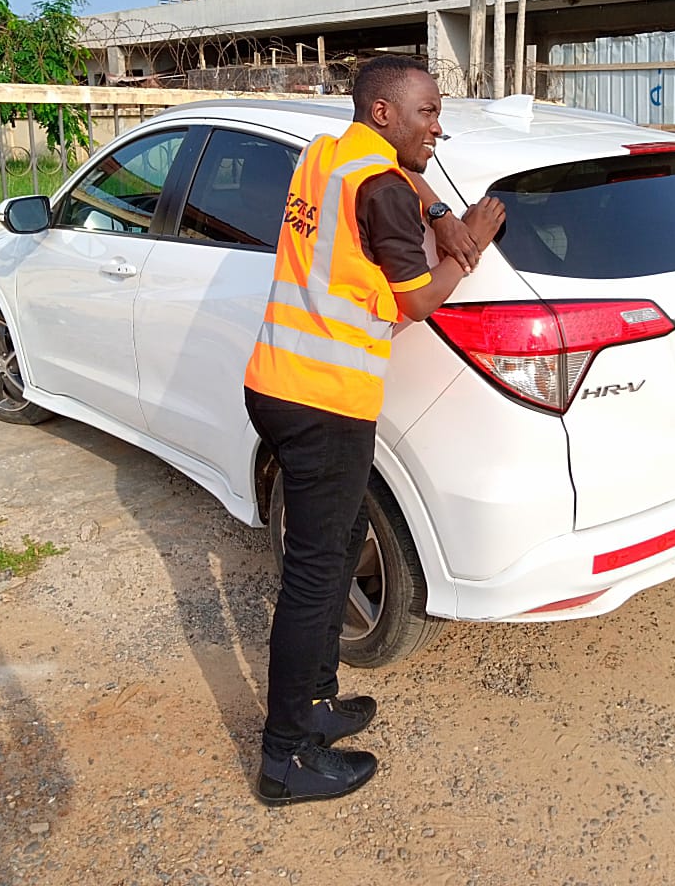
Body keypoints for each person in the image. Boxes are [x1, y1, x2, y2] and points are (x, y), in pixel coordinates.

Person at [243, 54, 505, 806]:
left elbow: (401, 182)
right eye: (428, 112)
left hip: (281, 383)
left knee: (331, 546)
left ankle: (320, 702)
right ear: (385, 114)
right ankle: (284, 757)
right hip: (324, 401)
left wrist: (436, 210)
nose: (438, 125)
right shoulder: (383, 188)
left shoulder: (331, 153)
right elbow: (420, 300)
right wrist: (473, 239)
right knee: (314, 576)